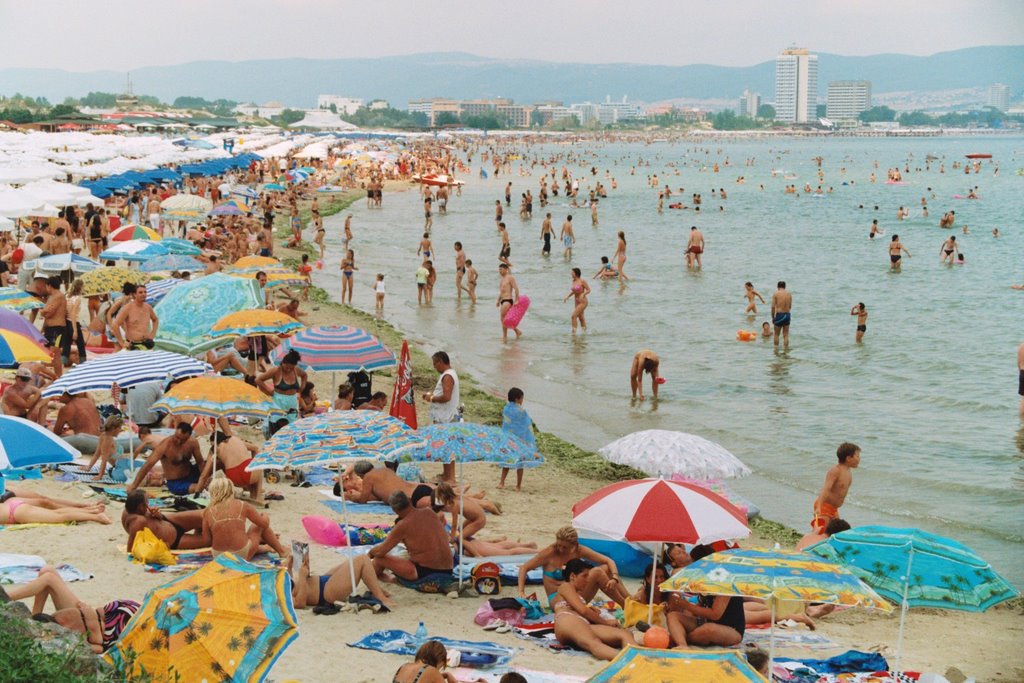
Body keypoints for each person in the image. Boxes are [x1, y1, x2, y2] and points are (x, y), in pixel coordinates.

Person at [5, 568, 138, 653]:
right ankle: (33, 617)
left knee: (48, 577)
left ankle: (4, 599)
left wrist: (88, 615)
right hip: (108, 618)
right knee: (46, 572)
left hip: (108, 627)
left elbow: (99, 648)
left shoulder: (67, 637)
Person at [518, 526, 629, 608]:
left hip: (577, 594)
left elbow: (609, 561)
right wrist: (521, 592)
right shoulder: (550, 553)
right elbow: (524, 568)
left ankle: (629, 599)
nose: (560, 549)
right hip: (558, 599)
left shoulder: (579, 550)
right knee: (597, 572)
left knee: (606, 568)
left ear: (574, 545)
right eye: (559, 545)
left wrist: (614, 577)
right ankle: (626, 606)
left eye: (565, 547)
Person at [551, 558, 637, 661]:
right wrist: (606, 623)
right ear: (573, 576)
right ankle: (629, 661)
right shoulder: (565, 586)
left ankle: (639, 656)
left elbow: (583, 611)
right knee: (594, 643)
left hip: (581, 624)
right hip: (567, 620)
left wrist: (595, 614)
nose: (587, 580)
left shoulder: (577, 595)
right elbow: (583, 610)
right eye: (584, 576)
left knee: (624, 634)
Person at [665, 544, 745, 647]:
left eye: (694, 563)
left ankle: (681, 638)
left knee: (708, 629)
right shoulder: (704, 577)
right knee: (673, 616)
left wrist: (687, 606)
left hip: (731, 630)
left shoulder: (725, 579)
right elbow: (701, 603)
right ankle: (683, 645)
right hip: (705, 622)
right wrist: (684, 611)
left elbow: (715, 614)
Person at [368, 491, 454, 582]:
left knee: (379, 559)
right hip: (448, 569)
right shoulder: (429, 512)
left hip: (424, 572)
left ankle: (389, 580)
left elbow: (380, 551)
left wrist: (370, 553)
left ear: (394, 510)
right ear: (409, 500)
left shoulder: (403, 525)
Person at [202, 476, 286, 560]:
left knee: (242, 539)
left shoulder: (207, 511)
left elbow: (206, 541)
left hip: (219, 556)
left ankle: (266, 548)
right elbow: (264, 524)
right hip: (241, 554)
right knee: (259, 524)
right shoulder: (242, 505)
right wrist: (265, 515)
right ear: (231, 490)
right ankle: (282, 551)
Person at [288, 547, 394, 611]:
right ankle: (379, 595)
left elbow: (291, 585)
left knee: (354, 561)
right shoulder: (277, 595)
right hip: (325, 593)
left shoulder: (275, 583)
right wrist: (302, 577)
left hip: (322, 581)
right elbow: (299, 603)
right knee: (362, 559)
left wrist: (289, 566)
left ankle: (376, 588)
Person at [127, 422, 205, 496]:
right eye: (177, 437)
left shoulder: (193, 442)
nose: (178, 441)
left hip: (191, 473)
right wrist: (133, 486)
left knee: (213, 462)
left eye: (182, 440)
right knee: (201, 488)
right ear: (175, 432)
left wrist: (204, 478)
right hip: (176, 482)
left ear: (188, 437)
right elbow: (147, 465)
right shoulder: (165, 446)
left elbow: (200, 462)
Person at [121, 489, 208, 551]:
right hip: (174, 540)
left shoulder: (132, 509)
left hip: (170, 520)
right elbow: (130, 549)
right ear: (141, 507)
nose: (148, 504)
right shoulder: (138, 522)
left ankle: (199, 528)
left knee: (205, 515)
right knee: (209, 540)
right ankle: (199, 530)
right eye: (147, 502)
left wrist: (158, 515)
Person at [422, 351, 460, 482]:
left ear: (440, 362)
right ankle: (447, 474)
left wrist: (431, 398)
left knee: (447, 446)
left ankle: (450, 477)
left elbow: (446, 397)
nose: (434, 367)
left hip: (446, 417)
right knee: (445, 447)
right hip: (444, 416)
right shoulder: (448, 374)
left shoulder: (448, 376)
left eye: (435, 364)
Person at [198, 432, 265, 504]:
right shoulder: (235, 439)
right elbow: (254, 448)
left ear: (214, 442)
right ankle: (258, 497)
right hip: (248, 472)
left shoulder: (213, 449)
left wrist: (197, 492)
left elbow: (204, 474)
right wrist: (253, 463)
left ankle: (253, 494)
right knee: (258, 466)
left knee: (241, 474)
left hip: (233, 478)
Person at [812, 442, 861, 533]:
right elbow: (826, 489)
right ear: (848, 458)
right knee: (821, 533)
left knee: (836, 533)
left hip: (834, 509)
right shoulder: (836, 471)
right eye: (857, 456)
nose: (859, 459)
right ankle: (807, 544)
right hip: (824, 506)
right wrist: (818, 506)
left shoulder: (848, 472)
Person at [0, 489, 110, 525]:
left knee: (58, 516)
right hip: (11, 504)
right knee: (58, 513)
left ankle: (95, 517)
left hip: (15, 513)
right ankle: (92, 512)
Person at [256, 349, 307, 425]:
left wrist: (302, 387)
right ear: (283, 363)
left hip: (292, 401)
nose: (289, 370)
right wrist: (269, 390)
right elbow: (258, 380)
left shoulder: (296, 370)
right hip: (279, 401)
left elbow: (304, 375)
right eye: (287, 367)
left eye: (291, 368)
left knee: (292, 424)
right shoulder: (276, 370)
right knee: (277, 423)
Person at [499, 387, 535, 491]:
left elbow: (506, 423)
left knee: (506, 460)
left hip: (508, 439)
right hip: (519, 440)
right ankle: (518, 486)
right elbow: (526, 424)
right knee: (520, 463)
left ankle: (502, 482)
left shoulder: (506, 408)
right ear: (516, 399)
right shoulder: (521, 411)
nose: (522, 401)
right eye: (521, 398)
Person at [111, 284, 158, 350]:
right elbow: (115, 325)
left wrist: (153, 334)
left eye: (145, 292)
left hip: (147, 343)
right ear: (135, 295)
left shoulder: (148, 307)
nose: (143, 294)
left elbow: (155, 320)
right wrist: (121, 342)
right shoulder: (128, 308)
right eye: (140, 292)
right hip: (133, 344)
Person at [392, 641, 456, 683]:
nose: (439, 670)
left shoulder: (404, 666)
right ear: (440, 660)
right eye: (441, 666)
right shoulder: (432, 671)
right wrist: (449, 676)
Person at [40, 276, 69, 367]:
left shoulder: (58, 296)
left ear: (49, 286)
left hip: (57, 328)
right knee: (46, 353)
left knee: (55, 355)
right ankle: (54, 376)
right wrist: (43, 328)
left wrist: (42, 311)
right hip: (50, 328)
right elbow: (47, 314)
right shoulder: (51, 297)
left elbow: (49, 313)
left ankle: (58, 376)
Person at [83, 415, 123, 481]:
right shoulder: (108, 440)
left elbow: (97, 455)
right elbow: (103, 459)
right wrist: (100, 476)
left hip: (121, 465)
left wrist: (89, 467)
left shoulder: (103, 435)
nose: (121, 430)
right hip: (121, 467)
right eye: (120, 427)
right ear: (114, 428)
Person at [496, 263, 522, 341]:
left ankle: (505, 337)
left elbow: (516, 289)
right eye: (499, 270)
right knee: (506, 319)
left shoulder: (510, 278)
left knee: (503, 318)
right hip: (503, 300)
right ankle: (517, 331)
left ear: (506, 269)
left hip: (508, 300)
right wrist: (498, 300)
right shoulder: (502, 279)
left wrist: (516, 300)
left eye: (501, 269)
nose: (499, 271)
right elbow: (501, 292)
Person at [563, 267, 590, 334]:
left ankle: (573, 333)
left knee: (573, 316)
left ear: (576, 273)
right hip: (576, 301)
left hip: (583, 301)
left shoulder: (582, 281)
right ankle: (584, 332)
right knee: (581, 317)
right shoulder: (574, 281)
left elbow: (589, 290)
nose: (571, 274)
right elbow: (574, 291)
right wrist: (567, 297)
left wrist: (583, 294)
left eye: (572, 272)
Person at [771, 281, 792, 348]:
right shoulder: (789, 294)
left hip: (780, 315)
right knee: (786, 334)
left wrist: (773, 317)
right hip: (787, 315)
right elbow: (790, 306)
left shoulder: (776, 294)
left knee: (776, 334)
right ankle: (786, 350)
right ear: (785, 287)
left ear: (778, 287)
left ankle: (776, 350)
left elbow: (773, 307)